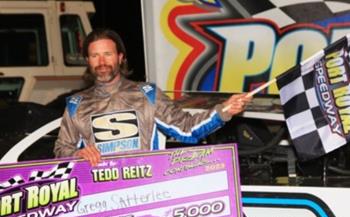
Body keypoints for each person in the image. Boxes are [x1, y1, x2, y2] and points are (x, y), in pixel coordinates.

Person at [54, 28, 252, 166]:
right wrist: (77, 154)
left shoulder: (146, 94)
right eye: (95, 56)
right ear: (87, 60)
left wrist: (224, 110)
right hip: (100, 200)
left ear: (121, 57)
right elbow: (61, 151)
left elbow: (187, 130)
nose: (102, 61)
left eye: (108, 54)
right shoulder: (76, 104)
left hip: (148, 194)